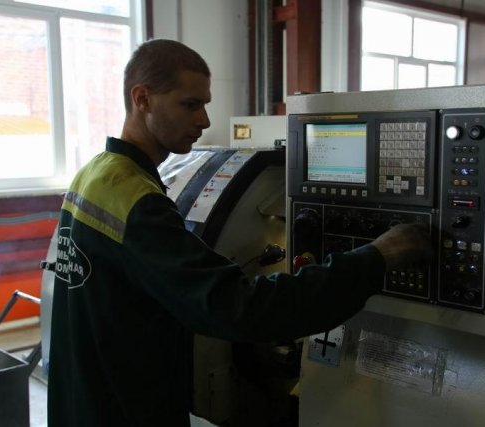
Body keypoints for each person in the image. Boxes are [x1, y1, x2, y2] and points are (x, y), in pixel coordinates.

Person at [47, 39, 433, 427]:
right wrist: (378, 256)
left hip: (84, 403)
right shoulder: (137, 201)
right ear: (142, 99)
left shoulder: (96, 173)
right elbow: (239, 308)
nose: (204, 120)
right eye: (190, 104)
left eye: (204, 104)